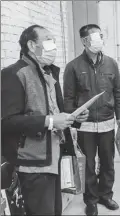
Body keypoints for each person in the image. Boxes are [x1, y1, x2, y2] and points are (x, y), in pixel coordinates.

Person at [1, 24, 89, 215]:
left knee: (55, 211)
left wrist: (74, 117)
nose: (54, 46)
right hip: (33, 164)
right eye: (48, 40)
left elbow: (54, 110)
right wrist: (49, 122)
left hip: (54, 158)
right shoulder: (14, 74)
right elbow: (7, 122)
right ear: (32, 45)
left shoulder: (48, 72)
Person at [63, 24, 120, 215]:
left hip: (107, 123)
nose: (100, 40)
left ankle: (106, 195)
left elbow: (118, 93)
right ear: (84, 41)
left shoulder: (111, 64)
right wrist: (74, 121)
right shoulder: (73, 66)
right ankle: (90, 200)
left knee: (108, 162)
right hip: (86, 126)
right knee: (88, 165)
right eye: (95, 37)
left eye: (100, 36)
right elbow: (68, 99)